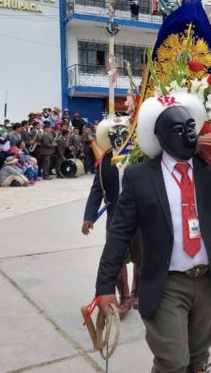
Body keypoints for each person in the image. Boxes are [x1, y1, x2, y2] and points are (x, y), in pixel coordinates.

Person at [95, 94, 211, 373]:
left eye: (191, 127)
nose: (188, 135)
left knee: (197, 357)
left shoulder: (210, 170)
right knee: (172, 361)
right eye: (179, 130)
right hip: (167, 283)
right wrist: (105, 287)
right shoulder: (139, 176)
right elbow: (119, 234)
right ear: (161, 137)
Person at [83, 115, 141, 318]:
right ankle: (124, 297)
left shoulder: (140, 156)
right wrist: (88, 216)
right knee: (117, 260)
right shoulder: (105, 161)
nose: (119, 137)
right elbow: (97, 190)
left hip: (140, 218)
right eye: (114, 135)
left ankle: (137, 293)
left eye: (123, 134)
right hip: (115, 218)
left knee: (141, 257)